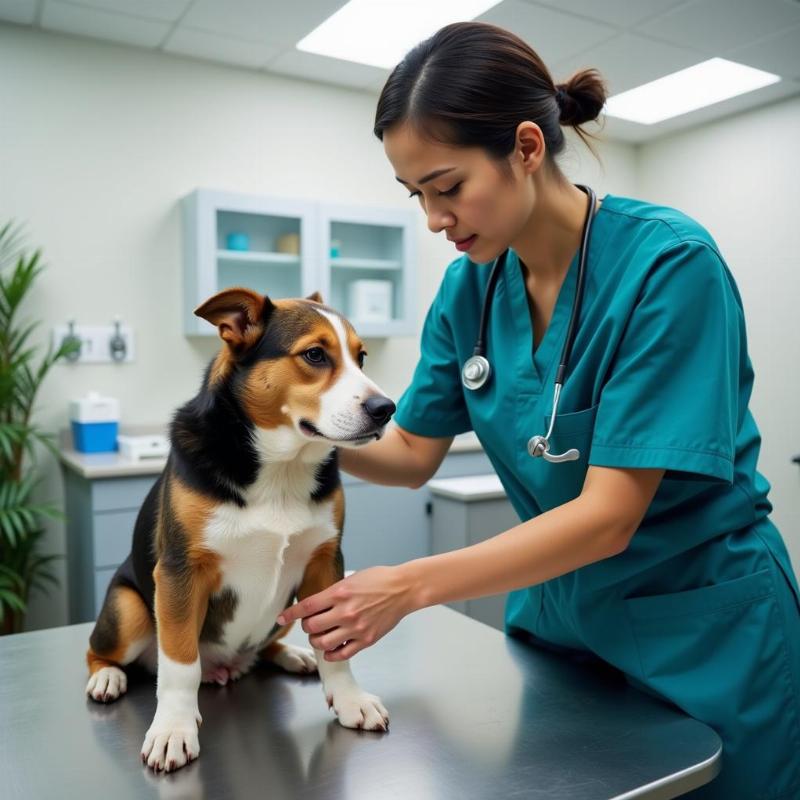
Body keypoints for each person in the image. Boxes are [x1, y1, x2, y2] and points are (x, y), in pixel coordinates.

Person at [277, 21, 800, 799]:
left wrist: (407, 586)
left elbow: (609, 517)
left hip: (704, 635)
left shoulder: (668, 267)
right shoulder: (471, 287)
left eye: (448, 187)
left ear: (526, 147)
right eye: (416, 194)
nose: (433, 217)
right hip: (565, 627)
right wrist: (283, 432)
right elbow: (413, 449)